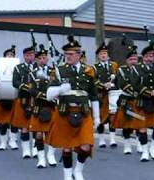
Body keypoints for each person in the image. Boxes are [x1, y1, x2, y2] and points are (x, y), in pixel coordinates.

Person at [46, 36, 100, 180]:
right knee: (67, 147)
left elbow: (94, 96)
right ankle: (68, 175)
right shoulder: (59, 70)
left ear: (79, 55)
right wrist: (60, 89)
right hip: (65, 112)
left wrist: (98, 117)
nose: (68, 57)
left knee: (86, 146)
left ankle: (78, 170)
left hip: (84, 112)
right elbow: (48, 95)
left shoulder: (88, 71)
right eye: (66, 54)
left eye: (71, 54)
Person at [28, 44, 57, 168]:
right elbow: (32, 90)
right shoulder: (33, 74)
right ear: (36, 60)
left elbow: (58, 86)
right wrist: (46, 96)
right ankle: (41, 159)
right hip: (39, 107)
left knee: (52, 134)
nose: (42, 60)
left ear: (47, 59)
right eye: (40, 58)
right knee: (39, 134)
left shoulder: (54, 72)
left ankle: (51, 155)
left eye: (44, 57)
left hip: (52, 107)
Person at [112, 45, 141, 154]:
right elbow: (123, 84)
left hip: (138, 100)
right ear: (127, 60)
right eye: (131, 59)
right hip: (126, 100)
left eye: (135, 59)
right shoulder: (121, 70)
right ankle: (127, 145)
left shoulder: (141, 69)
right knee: (127, 123)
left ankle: (139, 144)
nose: (133, 61)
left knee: (139, 122)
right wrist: (138, 92)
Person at [12, 46, 37, 158]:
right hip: (24, 99)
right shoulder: (18, 68)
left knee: (36, 126)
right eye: (27, 55)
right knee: (24, 126)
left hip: (37, 100)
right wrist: (26, 87)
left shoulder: (38, 67)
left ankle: (35, 149)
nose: (29, 57)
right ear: (24, 56)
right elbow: (15, 82)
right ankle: (26, 150)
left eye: (31, 55)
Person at [93, 42, 119, 148]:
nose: (104, 55)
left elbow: (118, 78)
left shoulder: (113, 65)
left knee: (112, 117)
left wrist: (112, 84)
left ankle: (113, 139)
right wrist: (103, 85)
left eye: (105, 53)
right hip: (101, 96)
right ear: (98, 56)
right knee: (102, 118)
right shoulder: (94, 67)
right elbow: (93, 80)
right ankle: (102, 139)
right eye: (101, 53)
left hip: (112, 94)